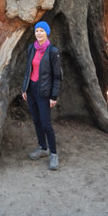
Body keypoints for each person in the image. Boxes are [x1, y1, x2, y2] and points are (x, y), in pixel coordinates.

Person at [22, 21, 62, 170]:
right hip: (31, 89)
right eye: (37, 31)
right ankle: (42, 147)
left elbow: (57, 76)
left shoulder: (53, 51)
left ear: (47, 33)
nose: (39, 33)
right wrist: (24, 88)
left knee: (46, 123)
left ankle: (53, 154)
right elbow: (28, 69)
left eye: (41, 31)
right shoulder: (31, 48)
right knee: (37, 121)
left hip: (44, 92)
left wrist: (54, 96)